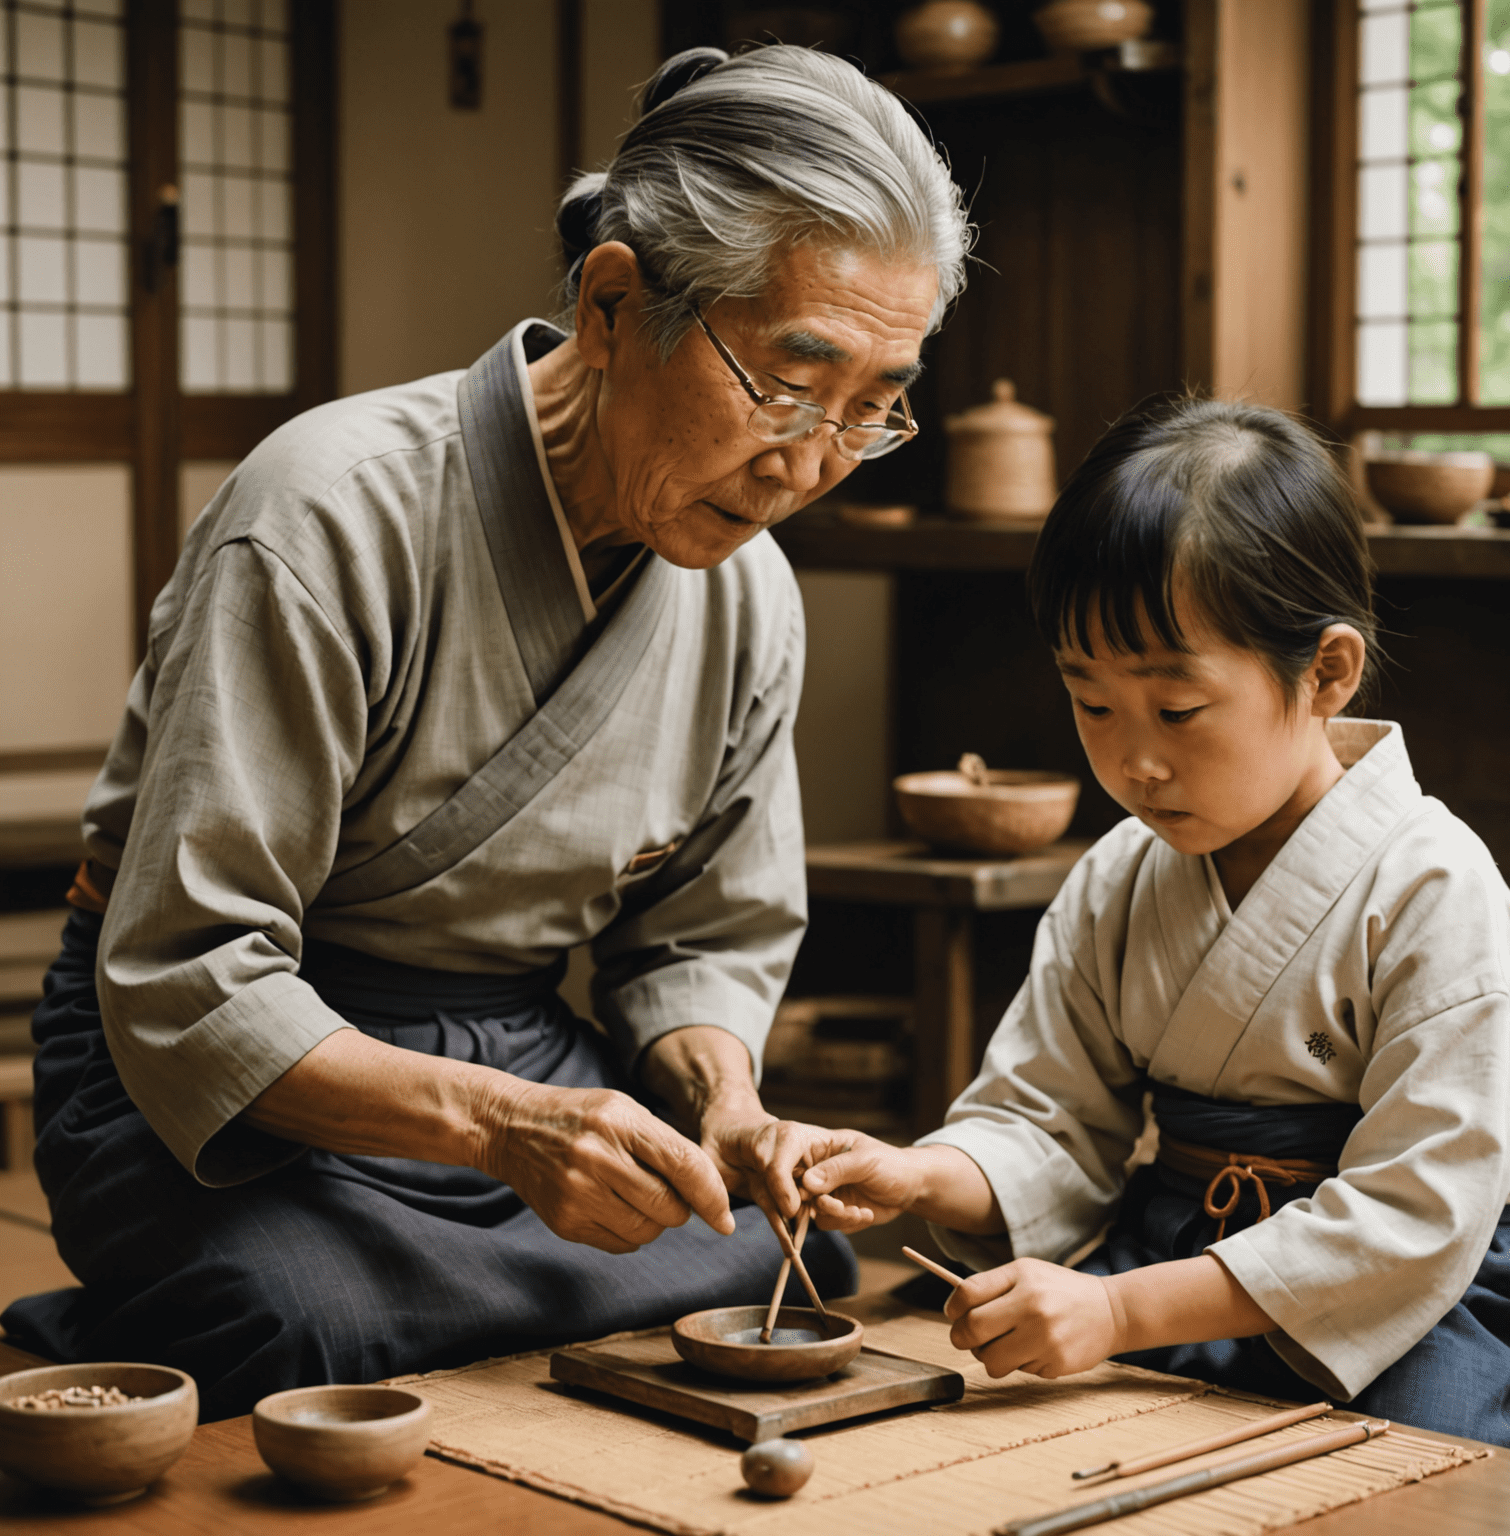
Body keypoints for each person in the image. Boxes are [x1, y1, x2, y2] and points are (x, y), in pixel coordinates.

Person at [2, 43, 972, 1419]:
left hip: (516, 1052)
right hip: (223, 1069)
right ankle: (114, 1312)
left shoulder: (748, 596)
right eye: (788, 385)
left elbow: (700, 939)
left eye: (872, 409)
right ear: (614, 301)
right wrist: (508, 1130)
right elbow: (187, 971)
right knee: (296, 1325)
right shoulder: (328, 513)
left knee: (764, 1270)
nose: (812, 461)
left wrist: (725, 1105)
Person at [794, 397, 1510, 1449]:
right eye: (1092, 704)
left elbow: (1419, 1217)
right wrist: (915, 1172)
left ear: (1327, 671)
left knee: (1408, 1478)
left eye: (1177, 710)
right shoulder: (1122, 878)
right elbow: (1048, 1122)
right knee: (1018, 1446)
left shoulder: (1433, 890)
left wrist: (1116, 1313)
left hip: (1414, 1298)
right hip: (1167, 1248)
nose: (1134, 760)